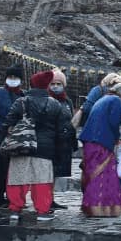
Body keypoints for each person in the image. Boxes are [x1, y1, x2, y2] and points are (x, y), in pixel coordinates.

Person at [5, 71, 67, 221]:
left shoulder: (21, 102)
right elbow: (61, 129)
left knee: (17, 178)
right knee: (42, 180)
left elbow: (8, 122)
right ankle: (43, 211)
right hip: (45, 148)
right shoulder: (55, 104)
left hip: (22, 145)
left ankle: (15, 209)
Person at [79, 76, 121, 218]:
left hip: (90, 140)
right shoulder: (116, 101)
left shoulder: (103, 98)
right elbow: (114, 122)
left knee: (93, 173)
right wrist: (117, 139)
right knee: (102, 175)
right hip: (101, 141)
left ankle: (91, 207)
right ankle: (100, 208)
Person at [0, 65, 25, 212]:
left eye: (16, 78)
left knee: (12, 169)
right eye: (11, 77)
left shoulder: (22, 95)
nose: (13, 80)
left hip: (16, 138)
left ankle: (11, 198)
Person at [48, 71, 77, 212]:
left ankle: (50, 198)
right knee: (48, 172)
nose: (55, 86)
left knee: (55, 173)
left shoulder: (67, 101)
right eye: (52, 84)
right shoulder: (47, 99)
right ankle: (45, 199)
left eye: (58, 84)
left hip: (64, 142)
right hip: (51, 141)